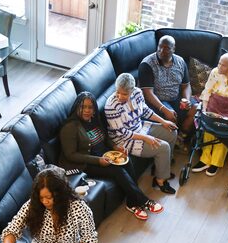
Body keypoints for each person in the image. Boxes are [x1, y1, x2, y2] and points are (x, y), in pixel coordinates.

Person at [60, 91, 163, 221]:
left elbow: (105, 138)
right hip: (87, 163)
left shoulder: (94, 120)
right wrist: (98, 160)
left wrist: (115, 148)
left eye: (90, 107)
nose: (86, 110)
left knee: (127, 161)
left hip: (105, 155)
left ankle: (132, 203)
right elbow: (71, 155)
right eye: (83, 107)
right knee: (117, 170)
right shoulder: (70, 127)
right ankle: (144, 201)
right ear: (77, 107)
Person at [104, 73, 178, 194]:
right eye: (117, 92)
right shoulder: (111, 105)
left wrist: (163, 121)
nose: (119, 96)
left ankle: (161, 167)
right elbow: (121, 133)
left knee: (171, 132)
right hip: (124, 139)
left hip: (140, 127)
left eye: (124, 94)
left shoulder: (138, 93)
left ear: (132, 91)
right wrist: (146, 137)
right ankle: (160, 180)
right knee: (163, 147)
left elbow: (145, 111)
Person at [138, 35, 196, 139]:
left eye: (166, 48)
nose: (161, 51)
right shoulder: (147, 64)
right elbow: (148, 93)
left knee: (196, 108)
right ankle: (174, 140)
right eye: (160, 47)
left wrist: (186, 100)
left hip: (175, 98)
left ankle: (182, 134)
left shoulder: (180, 62)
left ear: (173, 49)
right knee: (171, 115)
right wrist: (164, 109)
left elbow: (186, 86)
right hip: (157, 101)